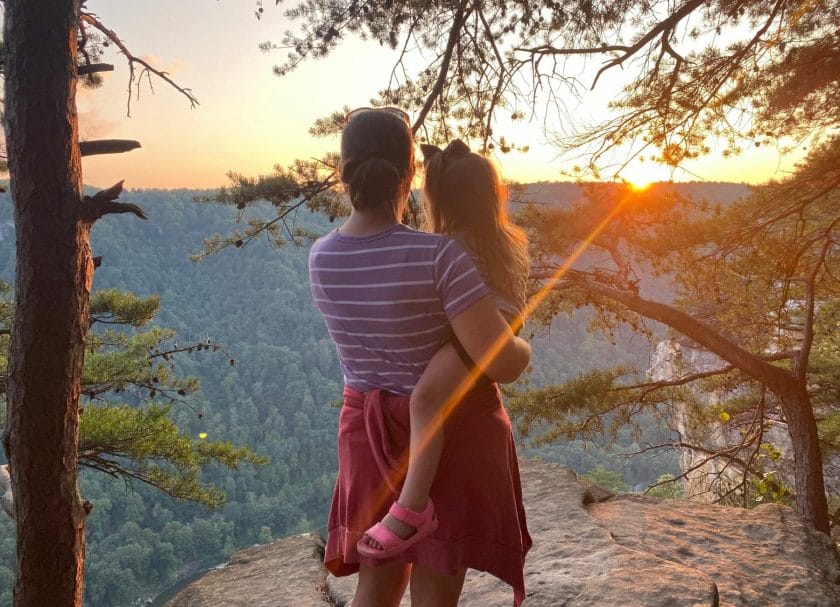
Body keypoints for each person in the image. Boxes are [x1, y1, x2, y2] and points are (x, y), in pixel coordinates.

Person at [309, 107, 532, 607]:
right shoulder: (439, 257)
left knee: (379, 581)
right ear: (409, 173)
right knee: (436, 584)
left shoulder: (321, 256)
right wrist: (522, 339)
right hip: (451, 432)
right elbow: (504, 363)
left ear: (344, 174)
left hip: (366, 432)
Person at [357, 139, 530, 566]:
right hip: (491, 328)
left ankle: (411, 509)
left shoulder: (449, 247)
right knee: (433, 396)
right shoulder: (503, 239)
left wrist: (516, 351)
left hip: (473, 338)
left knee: (427, 398)